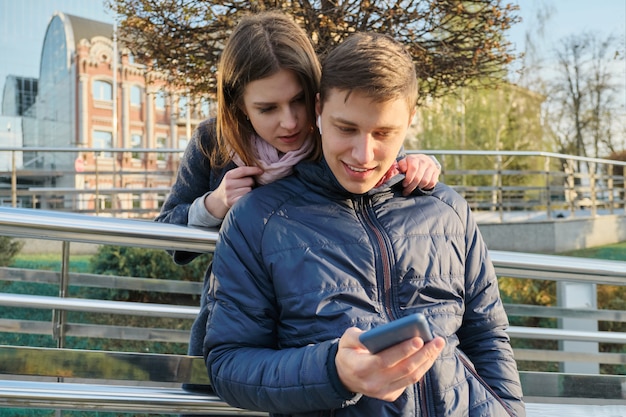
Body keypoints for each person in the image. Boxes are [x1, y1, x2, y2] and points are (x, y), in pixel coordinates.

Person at [202, 31, 526, 416]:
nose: (363, 154)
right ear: (319, 110)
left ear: (411, 119)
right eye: (346, 129)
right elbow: (229, 364)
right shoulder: (257, 220)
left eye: (384, 133)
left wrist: (507, 411)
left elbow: (488, 335)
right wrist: (333, 372)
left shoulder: (447, 208)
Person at [154, 10, 441, 382]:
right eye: (267, 108)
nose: (289, 122)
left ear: (317, 99)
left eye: (298, 101)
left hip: (316, 325)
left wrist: (421, 162)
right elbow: (168, 237)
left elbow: (371, 156)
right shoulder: (213, 144)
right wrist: (212, 206)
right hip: (237, 320)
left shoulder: (328, 137)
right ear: (239, 104)